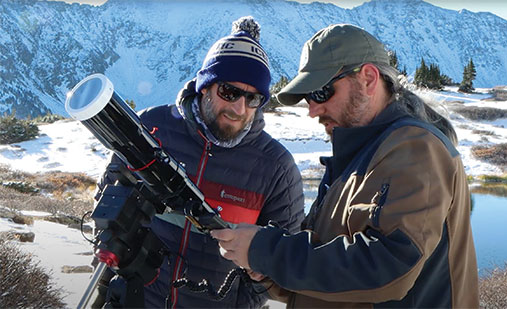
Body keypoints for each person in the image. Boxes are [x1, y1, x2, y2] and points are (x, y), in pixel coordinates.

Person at [212, 24, 479, 308]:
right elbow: (327, 274)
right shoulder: (358, 154)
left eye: (322, 92)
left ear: (368, 78)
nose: (312, 110)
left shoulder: (415, 148)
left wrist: (268, 251)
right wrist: (269, 271)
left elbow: (389, 267)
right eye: (307, 98)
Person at [92, 16, 304, 308]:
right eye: (229, 92)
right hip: (138, 300)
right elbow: (108, 195)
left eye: (253, 98)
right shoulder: (152, 129)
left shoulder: (277, 167)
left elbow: (284, 257)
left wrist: (243, 299)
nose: (239, 108)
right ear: (205, 86)